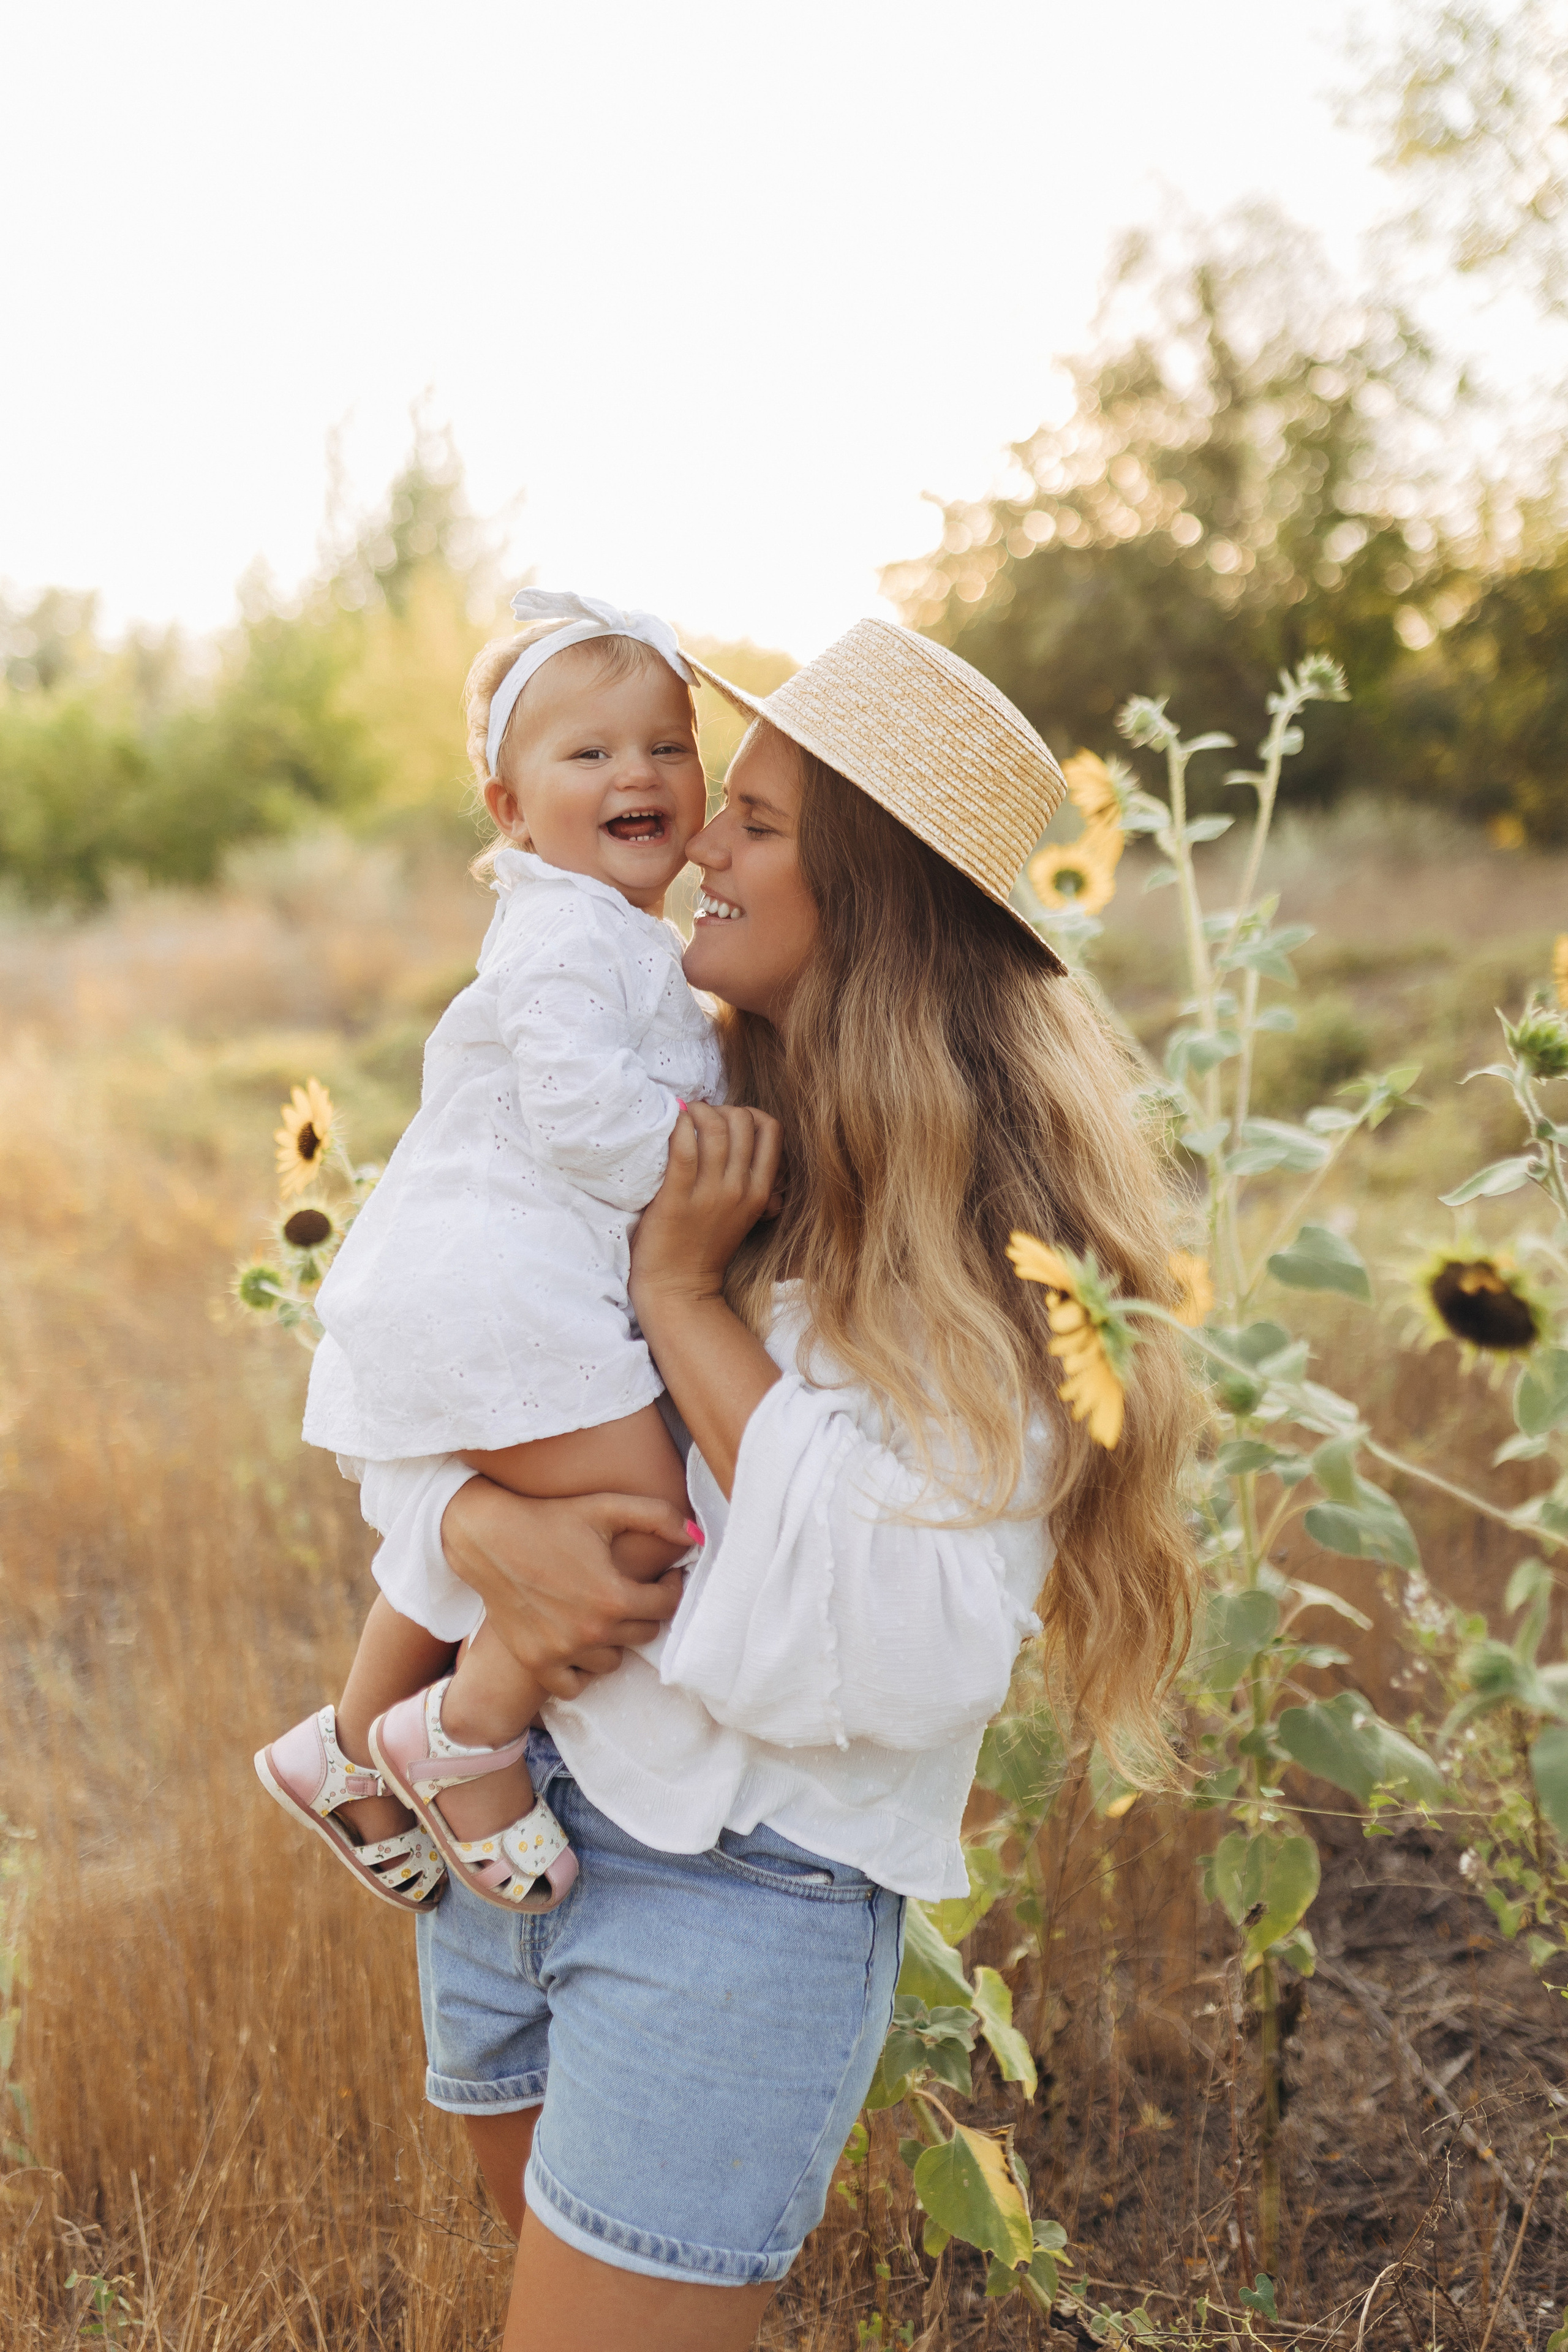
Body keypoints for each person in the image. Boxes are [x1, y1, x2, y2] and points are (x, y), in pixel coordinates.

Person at [333, 617, 1197, 2352]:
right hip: (534, 1825)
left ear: (873, 895)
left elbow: (899, 1639)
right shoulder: (690, 1113)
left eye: (761, 820)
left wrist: (674, 1299)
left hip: (736, 1892)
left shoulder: (984, 1246)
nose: (696, 836)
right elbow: (453, 1395)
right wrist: (480, 1528)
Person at [254, 590, 725, 1914]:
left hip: (487, 1278)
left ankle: (344, 1746)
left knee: (511, 1517)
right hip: (499, 1288)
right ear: (509, 809)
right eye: (588, 754)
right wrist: (720, 1162)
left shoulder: (619, 936)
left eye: (669, 746)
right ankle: (463, 1735)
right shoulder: (566, 929)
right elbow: (585, 1119)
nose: (638, 772)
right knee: (641, 1521)